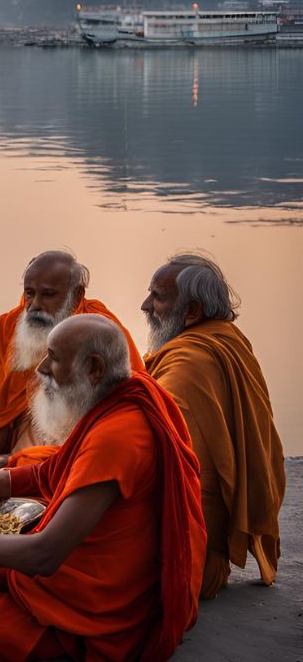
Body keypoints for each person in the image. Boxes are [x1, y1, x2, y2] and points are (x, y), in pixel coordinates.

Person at [0, 315, 206, 661]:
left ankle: (64, 647)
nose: (42, 368)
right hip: (88, 576)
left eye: (54, 358)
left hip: (99, 610)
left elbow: (45, 555)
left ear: (94, 368)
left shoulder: (118, 436)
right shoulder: (119, 396)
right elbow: (50, 472)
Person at [142, 252, 285, 599]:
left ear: (192, 312)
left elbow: (143, 453)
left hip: (178, 560)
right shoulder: (229, 340)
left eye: (158, 297)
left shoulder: (190, 363)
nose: (145, 305)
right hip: (202, 556)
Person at [0, 250, 143, 480]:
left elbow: (126, 417)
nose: (34, 305)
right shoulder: (9, 327)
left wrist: (23, 462)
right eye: (29, 293)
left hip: (90, 432)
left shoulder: (104, 332)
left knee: (14, 476)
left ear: (76, 295)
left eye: (48, 295)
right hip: (36, 422)